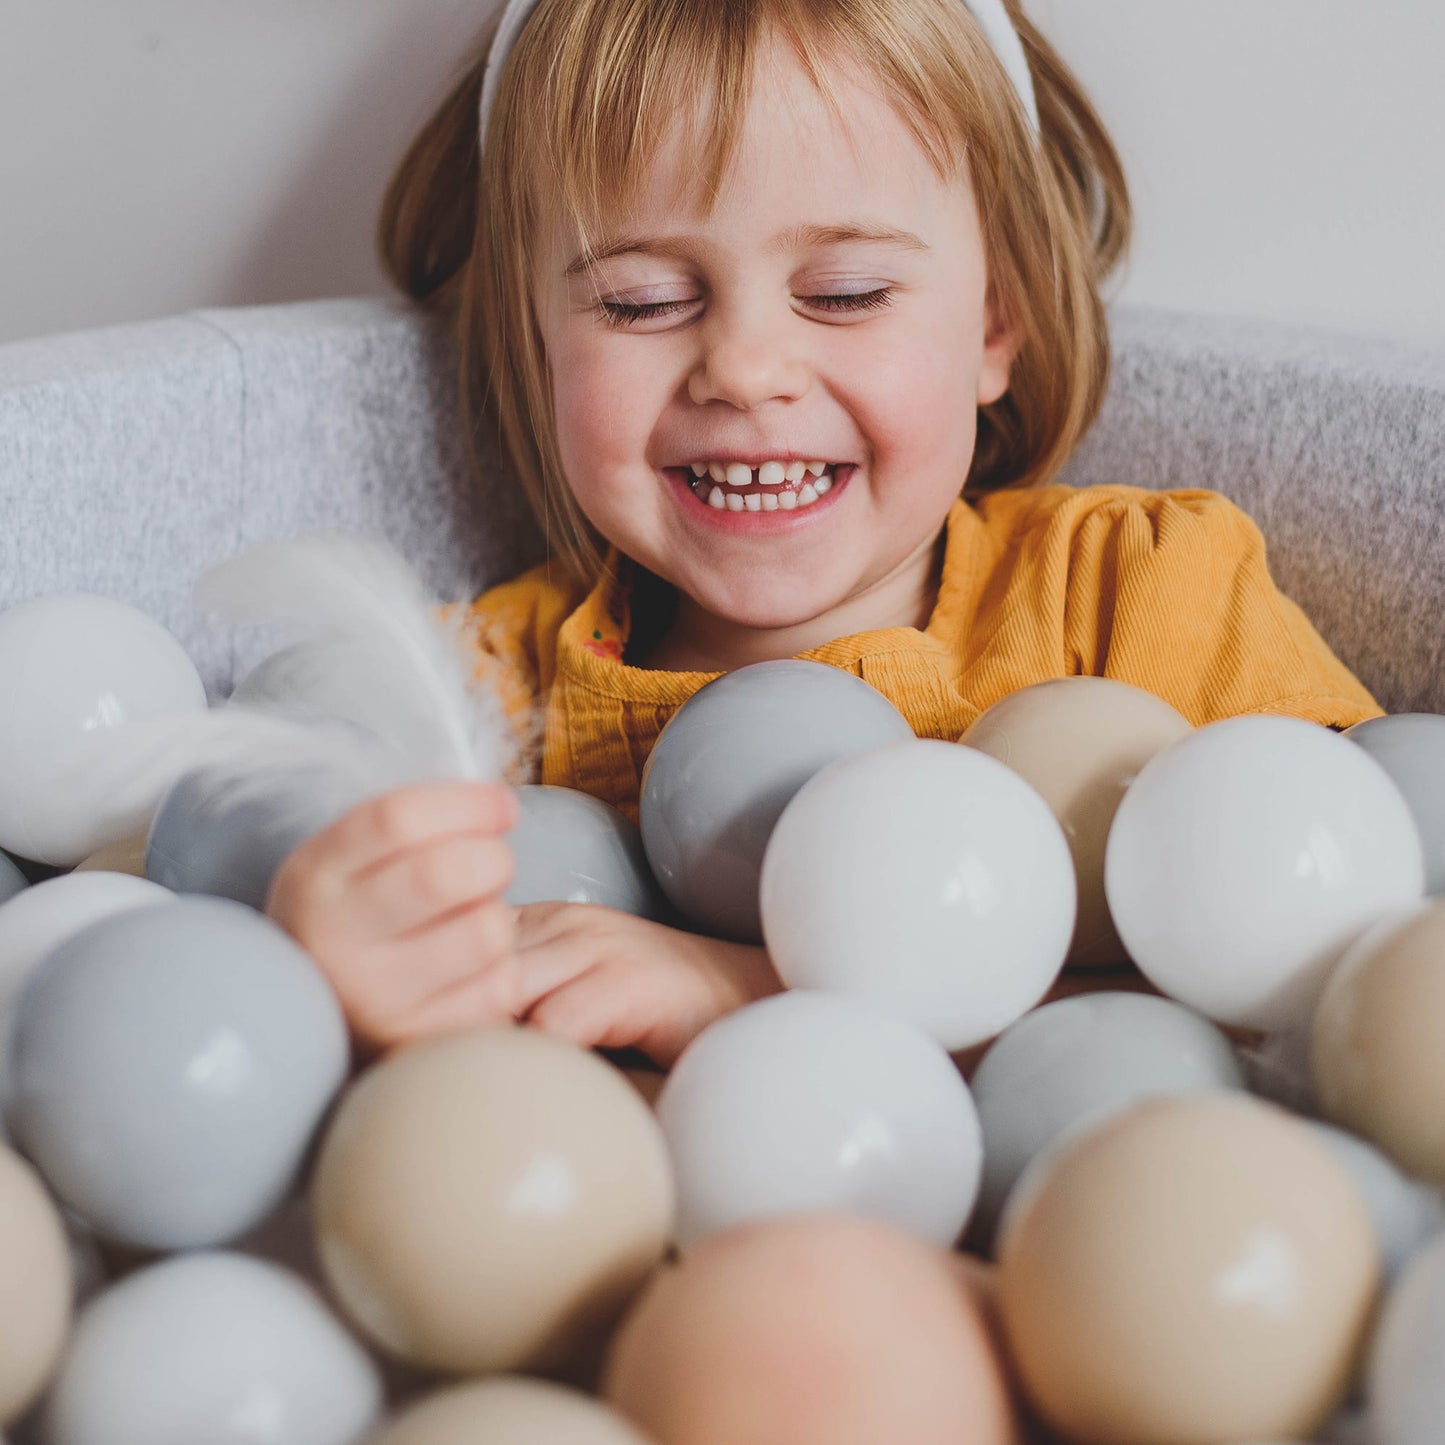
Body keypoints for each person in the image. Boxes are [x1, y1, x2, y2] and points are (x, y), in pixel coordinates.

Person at [264, 0, 1384, 1069]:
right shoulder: (467, 701)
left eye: (844, 292)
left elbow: (1340, 974)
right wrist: (342, 969)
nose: (745, 369)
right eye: (642, 300)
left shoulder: (1138, 600)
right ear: (537, 335)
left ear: (996, 319)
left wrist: (750, 990)